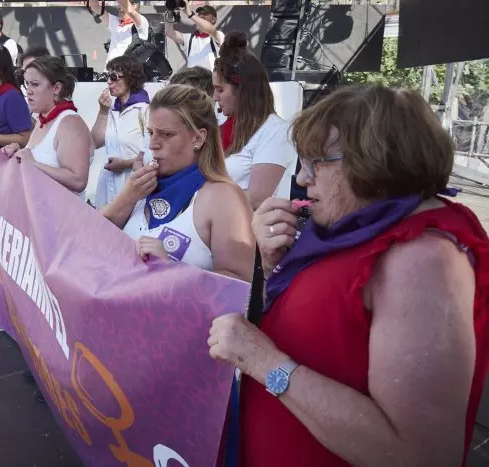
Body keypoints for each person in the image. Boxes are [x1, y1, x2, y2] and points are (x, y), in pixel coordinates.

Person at [207, 84, 489, 467]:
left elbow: (421, 455)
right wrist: (273, 266)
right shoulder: (359, 226)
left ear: (372, 161)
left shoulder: (424, 259)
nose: (302, 180)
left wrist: (263, 362)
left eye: (315, 163)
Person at [101, 84, 255, 281]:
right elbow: (91, 242)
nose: (152, 144)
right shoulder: (141, 187)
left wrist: (172, 270)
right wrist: (126, 198)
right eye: (150, 133)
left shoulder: (224, 197)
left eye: (166, 134)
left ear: (198, 138)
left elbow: (240, 284)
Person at [213, 32, 298, 210]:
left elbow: (256, 199)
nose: (214, 97)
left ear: (242, 90)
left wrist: (203, 201)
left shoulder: (276, 131)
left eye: (220, 90)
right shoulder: (223, 126)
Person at [3, 56, 92, 197]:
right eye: (27, 84)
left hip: (63, 216)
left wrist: (33, 164)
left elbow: (78, 181)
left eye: (35, 84)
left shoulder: (69, 123)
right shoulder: (43, 119)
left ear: (56, 88)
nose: (29, 91)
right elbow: (36, 157)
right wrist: (18, 153)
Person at [92, 55, 150, 209]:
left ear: (130, 78)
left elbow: (153, 155)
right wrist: (103, 112)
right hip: (108, 184)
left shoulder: (145, 110)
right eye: (107, 76)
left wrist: (125, 164)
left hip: (133, 183)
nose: (109, 82)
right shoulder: (112, 110)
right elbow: (95, 142)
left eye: (114, 77)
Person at [87, 0, 150, 65]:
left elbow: (131, 12)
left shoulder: (142, 23)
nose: (118, 6)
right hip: (110, 72)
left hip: (127, 73)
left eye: (121, 4)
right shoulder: (116, 22)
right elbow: (96, 8)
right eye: (118, 4)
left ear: (134, 6)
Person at [164, 3, 225, 71]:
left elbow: (211, 30)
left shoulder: (219, 35)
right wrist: (170, 12)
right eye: (199, 14)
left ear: (213, 20)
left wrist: (190, 14)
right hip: (192, 79)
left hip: (209, 80)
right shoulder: (189, 38)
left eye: (205, 14)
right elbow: (169, 32)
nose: (201, 15)